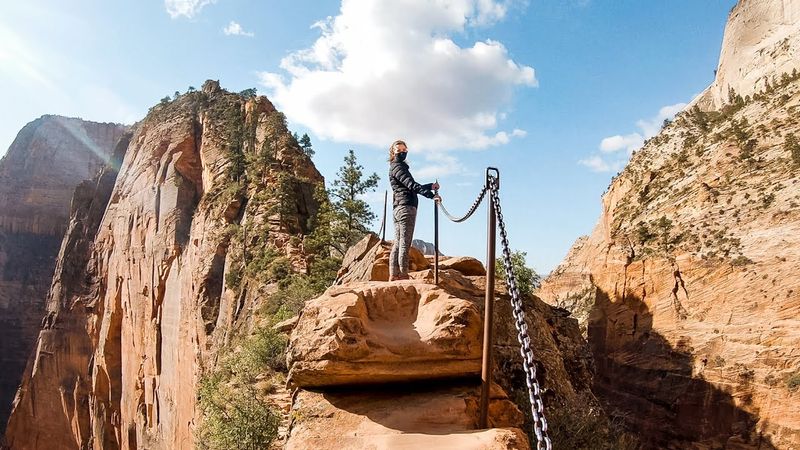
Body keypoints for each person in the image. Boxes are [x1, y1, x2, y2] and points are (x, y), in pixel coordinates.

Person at [387, 139, 440, 281]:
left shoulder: (395, 167)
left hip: (398, 207)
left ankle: (393, 275)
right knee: (405, 242)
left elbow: (408, 185)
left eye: (404, 151)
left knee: (398, 242)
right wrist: (429, 195)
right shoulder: (399, 167)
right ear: (393, 152)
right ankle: (403, 275)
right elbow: (410, 184)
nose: (402, 153)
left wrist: (429, 186)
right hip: (406, 208)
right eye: (399, 151)